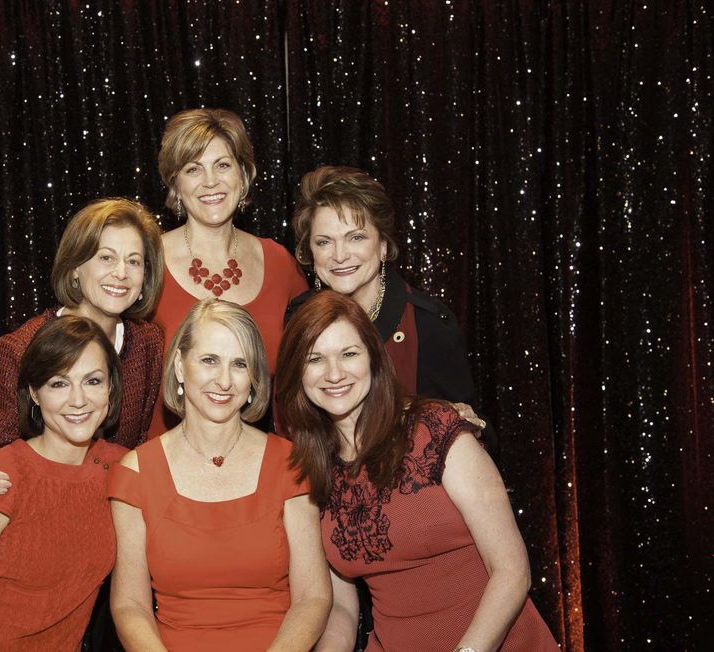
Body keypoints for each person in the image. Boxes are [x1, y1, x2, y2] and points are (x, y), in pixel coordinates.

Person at [275, 292, 557, 652]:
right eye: (315, 359)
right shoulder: (311, 468)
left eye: (349, 354)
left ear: (374, 359)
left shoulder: (435, 429)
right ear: (297, 371)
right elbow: (343, 608)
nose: (334, 374)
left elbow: (512, 570)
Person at [108, 299, 331, 651]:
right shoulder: (136, 471)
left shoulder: (290, 462)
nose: (224, 381)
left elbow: (313, 598)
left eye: (240, 364)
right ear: (180, 367)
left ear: (254, 377)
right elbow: (129, 606)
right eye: (209, 360)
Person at [0, 315, 128, 651]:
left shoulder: (122, 468)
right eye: (59, 383)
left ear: (112, 387)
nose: (78, 400)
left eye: (93, 381)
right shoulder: (1, 475)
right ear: (34, 393)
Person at [0, 197, 164, 506]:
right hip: (44, 509)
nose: (121, 273)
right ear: (75, 268)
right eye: (106, 258)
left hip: (118, 511)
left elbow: (142, 444)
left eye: (134, 261)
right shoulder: (22, 348)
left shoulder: (148, 342)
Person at [286, 165, 493, 451]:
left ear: (383, 245)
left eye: (356, 237)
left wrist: (470, 426)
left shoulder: (428, 324)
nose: (340, 255)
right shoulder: (297, 319)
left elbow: (479, 434)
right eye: (324, 242)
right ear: (310, 252)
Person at [149, 108, 308, 436]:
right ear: (175, 182)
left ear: (244, 174)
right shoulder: (145, 261)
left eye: (222, 165)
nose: (210, 181)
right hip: (161, 463)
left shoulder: (279, 263)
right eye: (194, 169)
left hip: (254, 461)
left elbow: (310, 366)